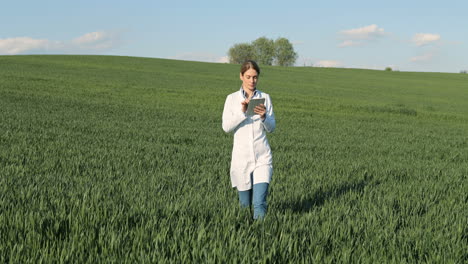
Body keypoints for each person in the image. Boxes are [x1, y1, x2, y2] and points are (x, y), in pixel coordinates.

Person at [222, 60, 276, 220]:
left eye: (255, 77)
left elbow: (272, 128)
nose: (252, 81)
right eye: (248, 77)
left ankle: (263, 237)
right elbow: (226, 127)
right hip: (241, 159)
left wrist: (264, 116)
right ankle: (245, 235)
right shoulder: (231, 99)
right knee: (245, 206)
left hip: (262, 157)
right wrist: (243, 112)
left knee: (259, 203)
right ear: (241, 76)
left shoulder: (265, 97)